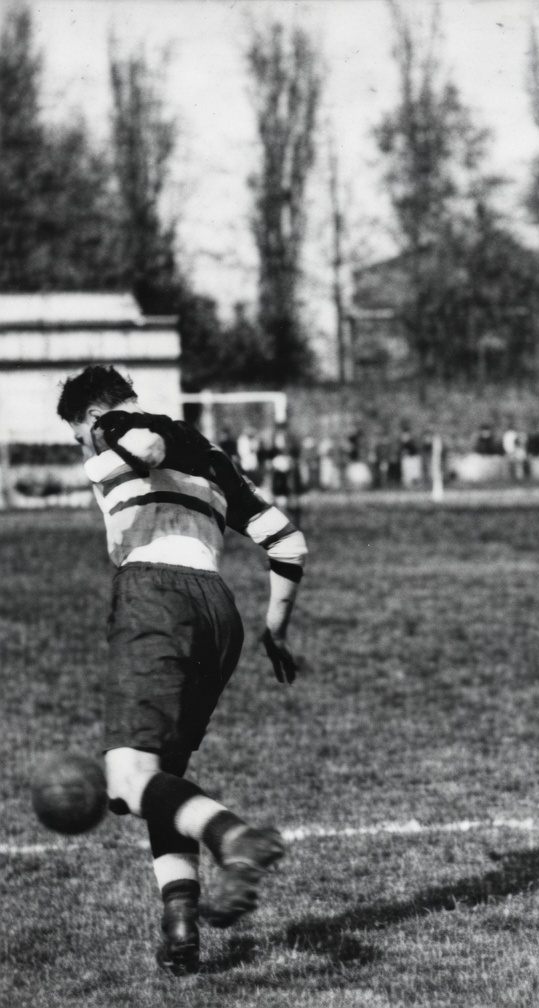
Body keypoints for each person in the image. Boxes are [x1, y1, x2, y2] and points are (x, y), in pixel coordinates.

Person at [56, 366, 307, 976]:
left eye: (77, 437)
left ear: (91, 419)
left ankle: (233, 838)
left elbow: (143, 443)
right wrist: (276, 628)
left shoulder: (119, 423)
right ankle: (181, 927)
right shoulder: (215, 460)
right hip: (219, 612)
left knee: (125, 778)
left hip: (154, 593)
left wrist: (116, 457)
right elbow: (287, 543)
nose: (82, 447)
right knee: (164, 781)